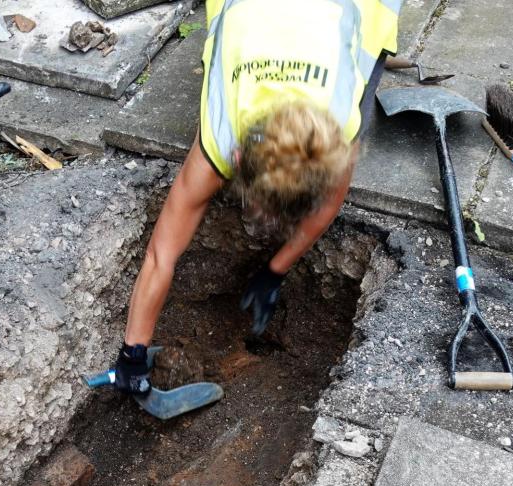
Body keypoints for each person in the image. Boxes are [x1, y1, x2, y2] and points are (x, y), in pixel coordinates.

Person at [111, 0, 401, 395]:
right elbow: (161, 254)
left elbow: (331, 201)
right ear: (235, 158)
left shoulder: (335, 128)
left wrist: (276, 269)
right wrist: (133, 350)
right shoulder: (221, 132)